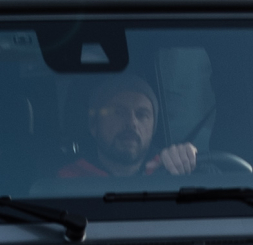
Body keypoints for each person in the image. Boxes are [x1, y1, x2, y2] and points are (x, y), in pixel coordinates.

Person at [57, 74, 198, 179]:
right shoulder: (68, 180)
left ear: (153, 127)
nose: (131, 122)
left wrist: (188, 160)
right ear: (94, 125)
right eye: (118, 112)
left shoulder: (172, 171)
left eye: (142, 115)